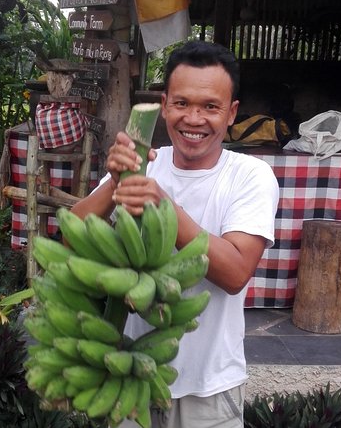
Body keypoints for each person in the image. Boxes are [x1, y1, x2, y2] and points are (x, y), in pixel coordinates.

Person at [71, 40, 279, 428]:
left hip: (209, 389)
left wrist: (164, 206)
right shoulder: (144, 162)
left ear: (231, 112)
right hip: (130, 374)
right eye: (182, 104)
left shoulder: (250, 176)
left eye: (210, 107)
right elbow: (70, 241)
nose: (194, 119)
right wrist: (114, 183)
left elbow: (235, 274)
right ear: (164, 104)